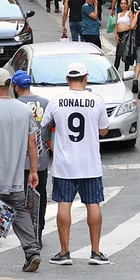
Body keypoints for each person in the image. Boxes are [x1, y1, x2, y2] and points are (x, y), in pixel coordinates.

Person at [41, 62, 110, 266]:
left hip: (64, 164)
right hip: (90, 164)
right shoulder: (96, 100)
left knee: (64, 204)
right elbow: (104, 130)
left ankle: (64, 253)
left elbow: (45, 129)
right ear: (86, 78)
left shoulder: (56, 101)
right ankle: (96, 252)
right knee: (93, 204)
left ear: (67, 79)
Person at [0, 68, 41, 272]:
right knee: (20, 211)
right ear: (9, 85)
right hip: (15, 177)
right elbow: (32, 143)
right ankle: (32, 251)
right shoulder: (24, 110)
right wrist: (33, 171)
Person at [12, 70, 50, 247]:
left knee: (15, 199)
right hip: (40, 161)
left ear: (16, 87)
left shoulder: (14, 105)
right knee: (39, 198)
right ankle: (38, 233)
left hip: (17, 161)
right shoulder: (45, 103)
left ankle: (22, 234)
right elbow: (51, 131)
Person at [114, 0, 133, 71]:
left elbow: (132, 25)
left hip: (127, 35)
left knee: (126, 53)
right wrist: (116, 36)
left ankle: (126, 71)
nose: (123, 5)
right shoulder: (118, 14)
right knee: (118, 55)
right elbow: (116, 26)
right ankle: (115, 70)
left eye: (125, 3)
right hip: (119, 35)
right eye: (122, 3)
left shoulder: (129, 13)